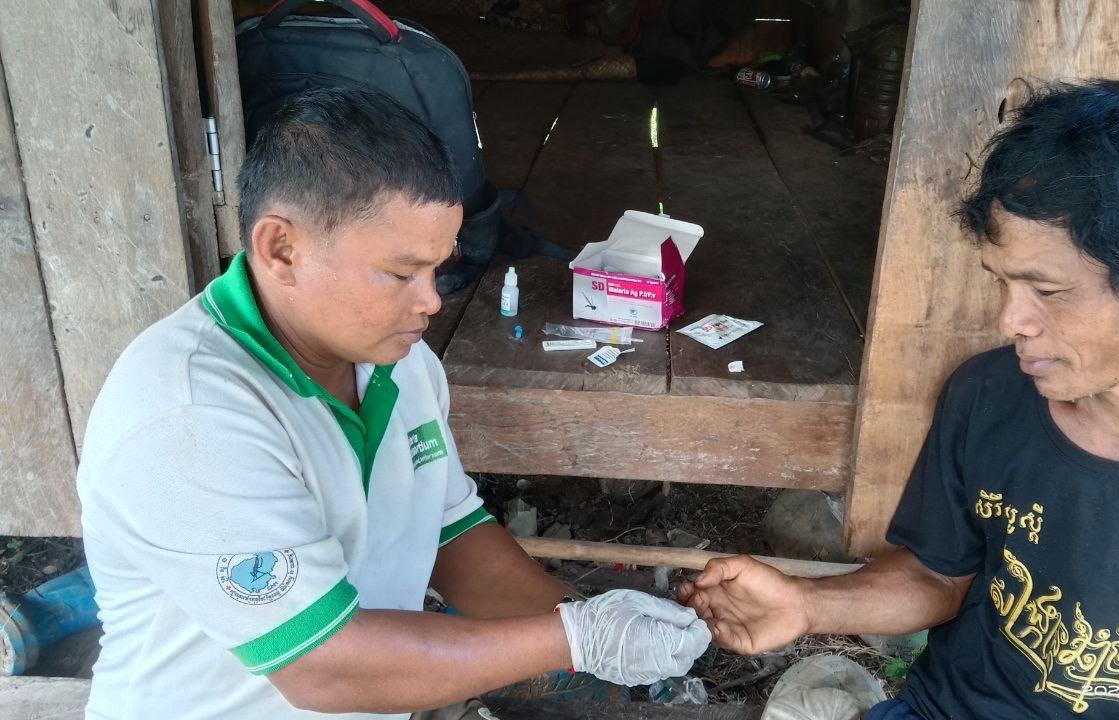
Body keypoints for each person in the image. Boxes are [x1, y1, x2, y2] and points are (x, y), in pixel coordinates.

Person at [76, 87, 710, 720]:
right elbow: (322, 668)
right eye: (402, 273)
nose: (432, 301)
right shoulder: (189, 416)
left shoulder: (403, 368)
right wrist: (577, 640)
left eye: (439, 268)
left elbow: (449, 534)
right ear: (281, 250)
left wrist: (601, 622)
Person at [680, 80, 1119, 720]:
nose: (1010, 321)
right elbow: (938, 577)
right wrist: (806, 604)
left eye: (1047, 291)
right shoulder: (991, 393)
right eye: (1002, 284)